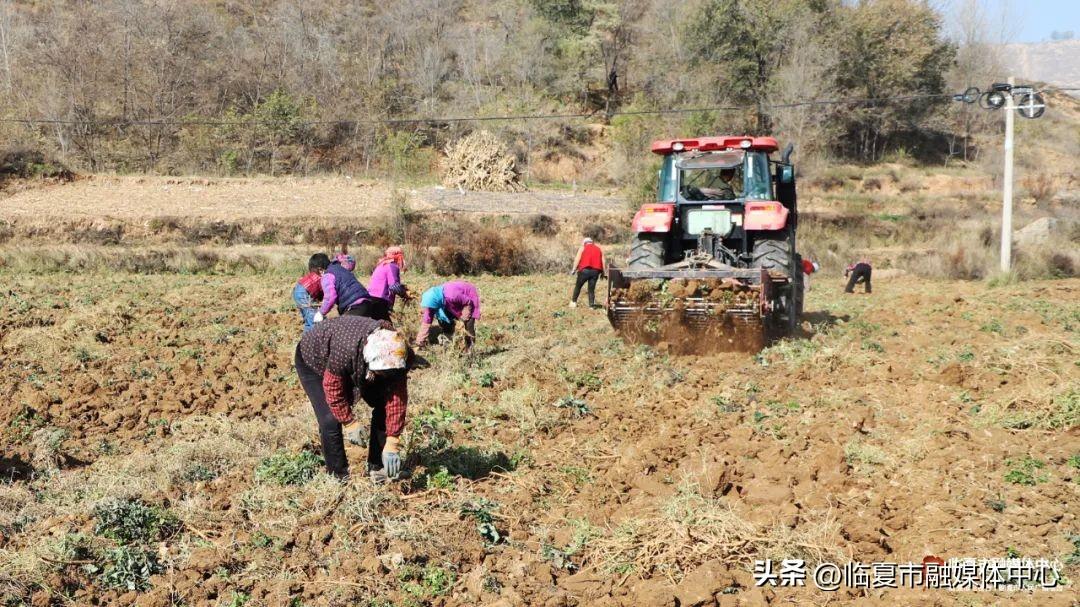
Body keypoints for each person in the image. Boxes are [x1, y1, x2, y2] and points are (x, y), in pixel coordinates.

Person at [295, 315, 411, 482]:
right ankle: (338, 476)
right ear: (369, 362)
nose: (385, 377)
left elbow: (397, 400)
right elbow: (333, 390)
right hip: (313, 359)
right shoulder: (345, 350)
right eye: (381, 372)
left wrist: (393, 442)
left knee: (384, 406)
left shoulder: (398, 353)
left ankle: (377, 467)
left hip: (354, 360)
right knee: (329, 419)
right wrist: (349, 422)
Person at [415, 280, 480, 353]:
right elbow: (426, 321)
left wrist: (464, 317)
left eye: (432, 308)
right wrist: (420, 341)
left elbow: (468, 302)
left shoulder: (451, 295)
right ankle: (450, 337)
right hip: (451, 300)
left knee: (468, 324)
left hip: (468, 295)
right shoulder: (432, 301)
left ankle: (470, 349)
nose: (431, 310)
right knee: (443, 318)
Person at [315, 254, 371, 322]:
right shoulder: (339, 267)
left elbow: (330, 297)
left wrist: (321, 312)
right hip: (367, 301)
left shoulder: (327, 276)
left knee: (344, 329)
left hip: (354, 306)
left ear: (320, 269)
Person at [365, 245, 410, 320]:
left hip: (371, 298)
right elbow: (394, 286)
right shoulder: (392, 266)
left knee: (376, 325)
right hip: (380, 300)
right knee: (386, 327)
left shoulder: (382, 264)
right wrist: (404, 294)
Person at [293, 253, 330, 331]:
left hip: (301, 292)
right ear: (321, 269)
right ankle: (310, 340)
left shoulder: (316, 276)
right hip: (303, 293)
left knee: (310, 320)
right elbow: (324, 293)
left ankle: (306, 340)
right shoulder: (321, 278)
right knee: (313, 320)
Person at [569, 237, 606, 308]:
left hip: (584, 271)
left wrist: (574, 269)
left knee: (578, 286)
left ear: (584, 243)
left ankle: (573, 302)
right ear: (592, 242)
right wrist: (603, 273)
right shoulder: (598, 249)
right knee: (591, 289)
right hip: (595, 271)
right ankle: (591, 305)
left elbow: (577, 259)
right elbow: (603, 261)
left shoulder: (583, 248)